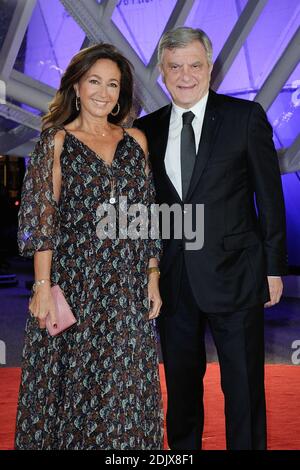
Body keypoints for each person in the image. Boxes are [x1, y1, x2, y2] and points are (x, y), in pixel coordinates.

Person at [134, 27, 288, 450]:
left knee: (243, 390)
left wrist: (275, 268)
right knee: (182, 394)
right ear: (162, 71)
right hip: (174, 282)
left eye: (194, 65)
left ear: (210, 67)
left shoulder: (244, 117)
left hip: (236, 275)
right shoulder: (146, 130)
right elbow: (146, 211)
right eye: (175, 66)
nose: (185, 75)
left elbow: (269, 199)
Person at [15, 43, 163, 450]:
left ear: (121, 93)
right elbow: (43, 218)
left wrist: (152, 275)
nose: (104, 92)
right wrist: (43, 287)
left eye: (113, 84)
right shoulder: (57, 141)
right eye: (95, 81)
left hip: (126, 288)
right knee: (78, 385)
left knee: (126, 385)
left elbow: (144, 217)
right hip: (77, 284)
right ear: (76, 87)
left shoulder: (136, 141)